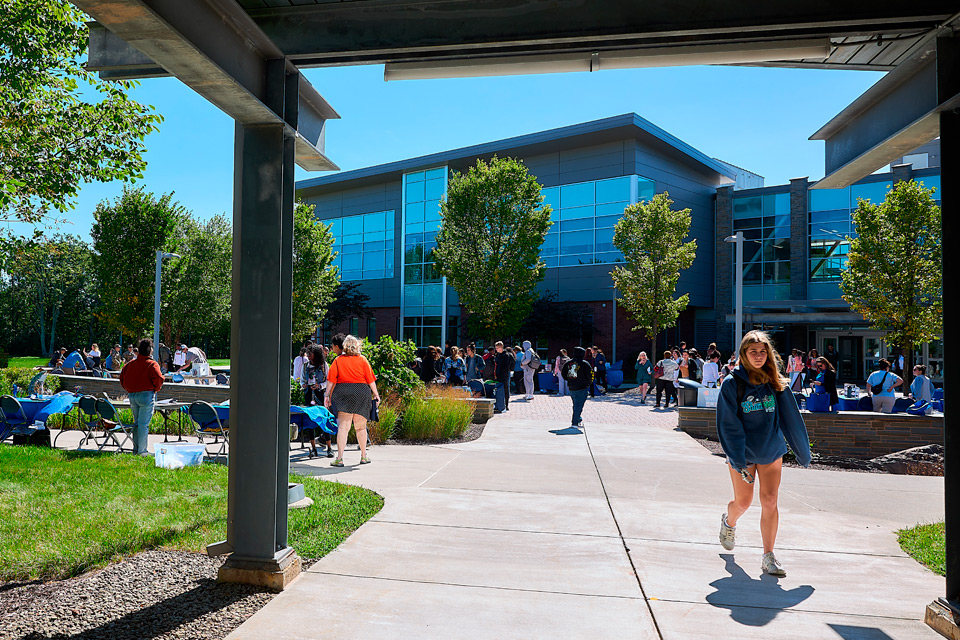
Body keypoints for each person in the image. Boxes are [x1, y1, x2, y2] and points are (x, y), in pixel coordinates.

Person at [716, 330, 811, 577]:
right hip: (743, 452)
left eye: (762, 351)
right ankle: (729, 522)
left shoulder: (774, 381)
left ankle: (768, 556)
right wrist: (737, 459)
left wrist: (802, 452)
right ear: (744, 354)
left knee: (770, 501)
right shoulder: (732, 384)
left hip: (771, 449)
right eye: (753, 352)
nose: (758, 356)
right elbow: (728, 424)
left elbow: (791, 418)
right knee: (743, 502)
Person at [324, 335, 379, 467]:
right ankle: (364, 456)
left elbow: (331, 380)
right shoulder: (363, 359)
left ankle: (340, 458)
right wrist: (376, 394)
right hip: (361, 392)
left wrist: (326, 395)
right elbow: (370, 379)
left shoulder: (338, 360)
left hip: (343, 392)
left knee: (343, 427)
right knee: (360, 427)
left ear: (344, 346)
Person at [119, 338, 165, 456]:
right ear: (150, 350)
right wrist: (156, 389)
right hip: (146, 395)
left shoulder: (130, 364)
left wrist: (129, 389)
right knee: (143, 424)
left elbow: (122, 378)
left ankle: (136, 449)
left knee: (137, 423)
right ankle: (142, 451)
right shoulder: (152, 364)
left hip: (132, 395)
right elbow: (159, 379)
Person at [301, 344, 333, 458]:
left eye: (311, 353)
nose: (309, 355)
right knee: (310, 420)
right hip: (309, 394)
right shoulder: (305, 365)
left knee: (324, 420)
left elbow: (329, 380)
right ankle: (313, 448)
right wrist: (303, 385)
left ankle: (329, 448)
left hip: (320, 394)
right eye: (308, 353)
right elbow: (302, 379)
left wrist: (320, 385)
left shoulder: (324, 365)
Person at [561, 347, 593, 428]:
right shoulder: (585, 364)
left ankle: (578, 419)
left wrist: (569, 380)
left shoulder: (568, 363)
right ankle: (575, 423)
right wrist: (588, 383)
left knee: (576, 404)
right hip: (582, 387)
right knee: (579, 405)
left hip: (571, 387)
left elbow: (563, 373)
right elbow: (591, 375)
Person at [494, 341, 514, 411]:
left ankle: (506, 405)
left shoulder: (506, 355)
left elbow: (508, 365)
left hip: (505, 374)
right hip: (499, 374)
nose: (496, 349)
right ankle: (500, 404)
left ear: (501, 347)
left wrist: (507, 371)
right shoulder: (498, 355)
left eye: (497, 348)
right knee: (499, 389)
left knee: (506, 389)